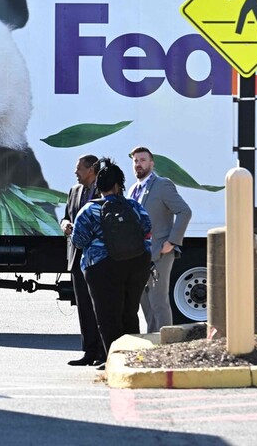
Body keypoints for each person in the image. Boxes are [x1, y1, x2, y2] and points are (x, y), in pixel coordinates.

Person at [71, 157, 152, 369]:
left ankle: (113, 360)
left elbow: (78, 240)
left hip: (101, 268)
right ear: (119, 185)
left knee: (107, 316)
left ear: (99, 186)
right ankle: (134, 357)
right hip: (136, 265)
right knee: (130, 312)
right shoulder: (135, 207)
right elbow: (146, 229)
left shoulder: (89, 210)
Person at [128, 146, 193, 333]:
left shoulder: (162, 184)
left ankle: (166, 345)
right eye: (135, 161)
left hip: (160, 253)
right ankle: (153, 339)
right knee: (144, 303)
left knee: (159, 302)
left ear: (151, 163)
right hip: (139, 255)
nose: (139, 164)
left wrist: (172, 242)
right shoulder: (133, 189)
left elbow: (184, 211)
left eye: (142, 160)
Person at [60, 154, 104, 366]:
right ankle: (88, 352)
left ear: (91, 170)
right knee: (84, 307)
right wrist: (65, 225)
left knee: (101, 307)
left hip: (98, 259)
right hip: (77, 257)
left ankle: (104, 353)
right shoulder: (74, 191)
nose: (75, 172)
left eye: (79, 168)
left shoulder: (104, 189)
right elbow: (66, 215)